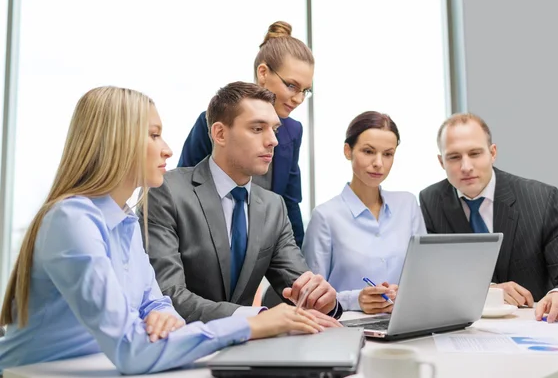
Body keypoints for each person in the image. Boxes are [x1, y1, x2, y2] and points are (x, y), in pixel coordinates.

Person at [0, 86, 328, 375]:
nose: (168, 149)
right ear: (117, 141)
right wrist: (248, 324)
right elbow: (131, 349)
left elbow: (157, 304)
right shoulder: (72, 220)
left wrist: (162, 318)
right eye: (154, 135)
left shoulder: (126, 220)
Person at [142, 81, 343, 325]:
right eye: (258, 129)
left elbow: (300, 288)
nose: (273, 141)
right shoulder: (166, 192)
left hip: (251, 349)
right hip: (187, 348)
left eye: (274, 130)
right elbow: (168, 295)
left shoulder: (273, 207)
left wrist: (325, 301)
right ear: (220, 133)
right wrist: (257, 317)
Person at [419, 112, 558, 323]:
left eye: (475, 153)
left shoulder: (539, 198)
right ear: (441, 162)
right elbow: (434, 278)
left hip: (535, 330)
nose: (466, 166)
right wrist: (491, 290)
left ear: (492, 153)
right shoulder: (430, 200)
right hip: (465, 331)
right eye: (454, 157)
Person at [178, 21, 312, 247]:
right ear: (263, 73)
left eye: (305, 91)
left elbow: (289, 204)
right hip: (205, 245)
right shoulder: (211, 122)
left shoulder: (293, 131)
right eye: (291, 86)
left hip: (261, 250)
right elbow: (183, 189)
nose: (298, 99)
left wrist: (300, 269)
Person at [302, 112, 426, 314]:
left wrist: (405, 292)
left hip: (406, 320)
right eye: (368, 151)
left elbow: (424, 276)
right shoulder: (325, 216)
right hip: (345, 328)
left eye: (388, 154)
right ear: (347, 151)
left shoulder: (408, 204)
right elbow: (310, 297)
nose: (379, 163)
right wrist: (355, 300)